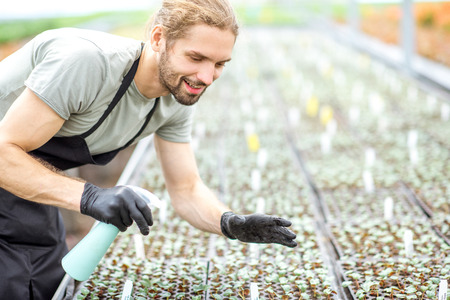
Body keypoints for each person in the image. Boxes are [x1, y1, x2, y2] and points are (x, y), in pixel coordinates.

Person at [0, 0, 297, 298]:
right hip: (7, 159)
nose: (206, 77)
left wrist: (231, 224)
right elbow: (5, 154)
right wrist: (90, 196)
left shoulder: (176, 97)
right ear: (158, 39)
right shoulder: (87, 63)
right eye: (196, 57)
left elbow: (186, 188)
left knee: (46, 276)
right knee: (18, 279)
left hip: (22, 170)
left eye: (219, 64)